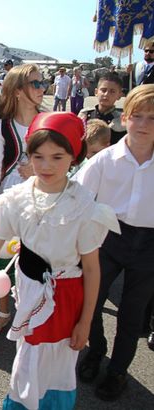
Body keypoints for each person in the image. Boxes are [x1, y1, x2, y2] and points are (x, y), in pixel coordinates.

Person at [0, 112, 119, 409]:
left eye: (57, 157)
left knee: (56, 364)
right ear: (29, 155)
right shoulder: (16, 198)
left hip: (67, 297)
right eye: (39, 156)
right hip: (29, 289)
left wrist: (86, 322)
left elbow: (91, 267)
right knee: (28, 359)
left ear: (74, 157)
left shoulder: (84, 206)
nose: (46, 166)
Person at [75, 84, 154, 401]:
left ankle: (118, 371)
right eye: (138, 116)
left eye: (153, 117)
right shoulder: (104, 160)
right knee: (90, 300)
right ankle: (96, 350)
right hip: (108, 235)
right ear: (125, 118)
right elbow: (76, 199)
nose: (144, 124)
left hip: (149, 244)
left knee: (132, 315)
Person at [0, 64, 44, 339]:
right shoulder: (2, 125)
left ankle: (32, 314)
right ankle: (4, 314)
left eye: (42, 83)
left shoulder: (49, 121)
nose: (41, 88)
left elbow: (69, 163)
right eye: (35, 83)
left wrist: (38, 168)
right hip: (10, 198)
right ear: (18, 90)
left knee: (36, 262)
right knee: (2, 259)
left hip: (43, 200)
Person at [78, 73, 125, 145]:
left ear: (119, 95)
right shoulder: (85, 115)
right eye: (103, 90)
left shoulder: (122, 120)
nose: (106, 94)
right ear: (96, 92)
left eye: (112, 91)